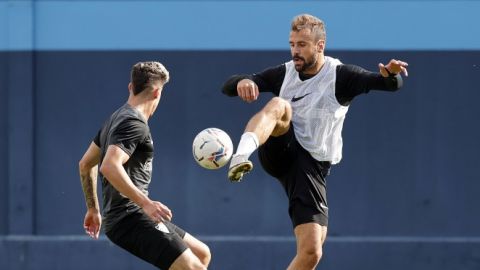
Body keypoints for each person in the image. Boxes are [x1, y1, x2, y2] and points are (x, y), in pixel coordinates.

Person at [222, 14, 408, 269]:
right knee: (279, 104)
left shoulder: (341, 76)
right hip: (282, 149)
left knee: (312, 252)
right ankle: (240, 157)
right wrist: (245, 81)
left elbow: (388, 84)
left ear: (320, 46)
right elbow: (229, 86)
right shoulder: (284, 73)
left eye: (302, 45)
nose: (295, 51)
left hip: (312, 167)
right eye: (292, 44)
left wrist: (392, 75)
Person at [79, 61, 211, 270]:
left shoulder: (115, 118)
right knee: (194, 268)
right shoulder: (133, 123)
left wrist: (93, 209)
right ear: (157, 93)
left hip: (126, 217)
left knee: (201, 254)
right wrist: (145, 203)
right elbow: (109, 166)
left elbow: (86, 164)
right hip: (129, 219)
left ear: (131, 87)